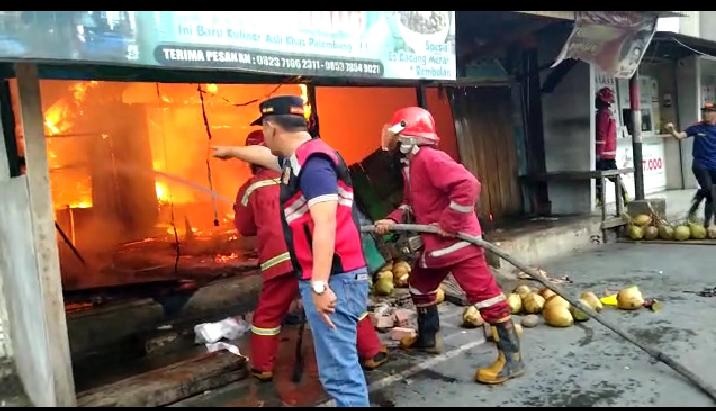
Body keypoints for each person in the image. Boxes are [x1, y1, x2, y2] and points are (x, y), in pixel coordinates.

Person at [213, 96, 371, 406]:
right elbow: (264, 155)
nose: (265, 138)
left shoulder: (314, 166)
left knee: (340, 374)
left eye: (265, 129)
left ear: (271, 127)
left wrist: (320, 285)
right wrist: (232, 151)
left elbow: (325, 224)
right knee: (336, 370)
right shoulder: (302, 159)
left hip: (334, 278)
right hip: (330, 275)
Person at [373, 107, 525, 385]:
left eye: (396, 133)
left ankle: (511, 359)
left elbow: (469, 185)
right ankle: (428, 338)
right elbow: (410, 205)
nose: (391, 140)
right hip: (434, 249)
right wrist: (392, 220)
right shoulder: (411, 165)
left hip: (458, 247)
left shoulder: (431, 159)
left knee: (486, 298)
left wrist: (450, 222)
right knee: (419, 286)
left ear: (408, 135)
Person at [233, 130, 387, 382]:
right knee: (343, 304)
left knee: (269, 314)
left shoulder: (250, 188)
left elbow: (245, 228)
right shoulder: (301, 173)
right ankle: (372, 351)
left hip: (280, 260)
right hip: (313, 255)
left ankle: (262, 366)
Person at [665, 102, 716, 228]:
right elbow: (679, 136)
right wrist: (672, 131)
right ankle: (699, 197)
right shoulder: (697, 127)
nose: (706, 114)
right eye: (704, 111)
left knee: (713, 195)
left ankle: (708, 222)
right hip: (700, 164)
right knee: (708, 190)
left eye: (709, 111)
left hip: (715, 165)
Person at [595, 87, 628, 205]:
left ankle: (599, 200)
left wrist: (598, 153)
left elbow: (601, 133)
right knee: (614, 175)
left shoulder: (602, 114)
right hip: (610, 151)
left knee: (598, 177)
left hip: (603, 153)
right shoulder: (610, 113)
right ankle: (624, 195)